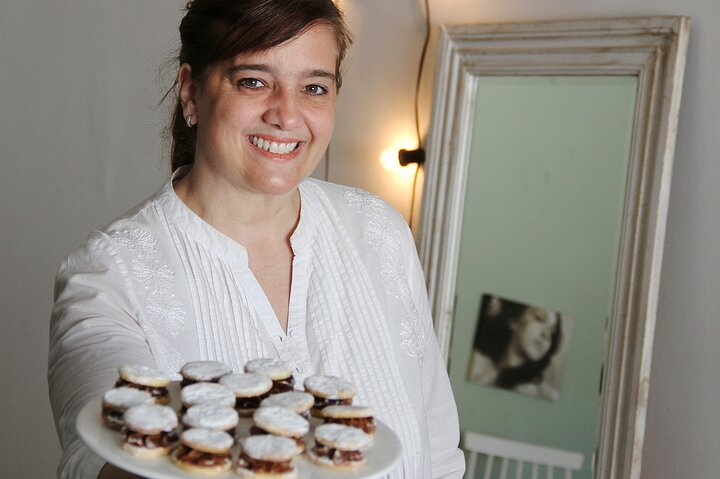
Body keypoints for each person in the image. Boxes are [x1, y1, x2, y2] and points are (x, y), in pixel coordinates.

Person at [47, 1, 465, 478]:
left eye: (313, 88)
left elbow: (439, 453)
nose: (287, 115)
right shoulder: (108, 276)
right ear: (190, 92)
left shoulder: (380, 232)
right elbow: (102, 460)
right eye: (253, 81)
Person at [468, 295, 563, 401]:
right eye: (539, 318)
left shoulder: (546, 395)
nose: (546, 335)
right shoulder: (474, 364)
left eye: (552, 332)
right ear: (514, 321)